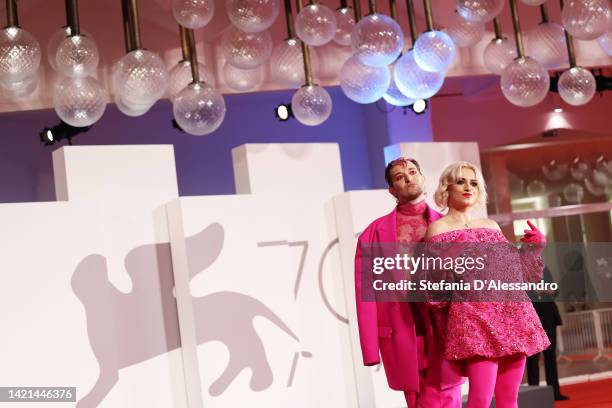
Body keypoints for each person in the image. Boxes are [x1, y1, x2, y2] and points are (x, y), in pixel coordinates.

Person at [424, 161, 550, 408]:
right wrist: (444, 265)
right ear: (446, 188)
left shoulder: (490, 226)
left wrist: (534, 248)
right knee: (479, 401)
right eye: (460, 181)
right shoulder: (437, 230)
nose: (468, 187)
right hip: (474, 321)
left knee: (509, 400)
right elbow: (434, 289)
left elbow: (514, 274)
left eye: (473, 182)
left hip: (512, 316)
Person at [354, 157, 463, 408]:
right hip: (403, 329)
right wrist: (370, 349)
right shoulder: (373, 233)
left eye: (413, 172)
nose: (409, 177)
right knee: (416, 401)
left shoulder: (451, 225)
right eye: (400, 176)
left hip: (444, 327)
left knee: (446, 396)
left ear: (423, 178)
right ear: (391, 190)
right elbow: (365, 294)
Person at [527, 266, 569, 401]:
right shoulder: (520, 269)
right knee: (533, 359)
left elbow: (555, 289)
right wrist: (534, 290)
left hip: (549, 316)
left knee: (551, 357)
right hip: (531, 318)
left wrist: (550, 289)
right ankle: (533, 393)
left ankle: (555, 392)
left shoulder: (544, 269)